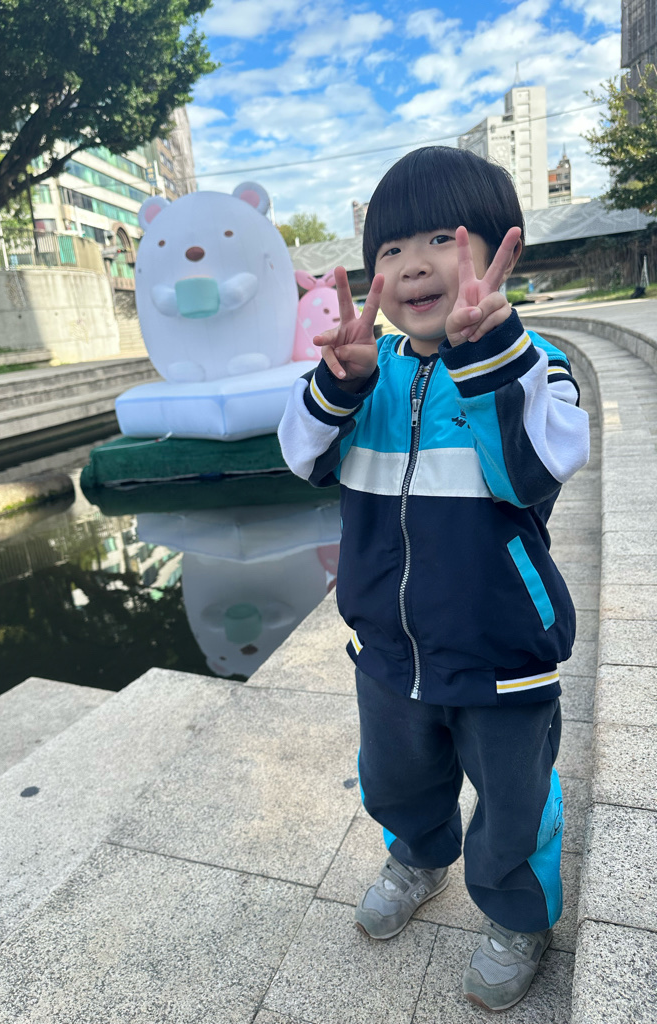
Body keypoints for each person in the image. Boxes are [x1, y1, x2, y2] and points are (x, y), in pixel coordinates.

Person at [278, 146, 589, 1012]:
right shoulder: (366, 371)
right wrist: (337, 384)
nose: (413, 264)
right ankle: (417, 858)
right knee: (396, 780)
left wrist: (487, 356)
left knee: (515, 801)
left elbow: (536, 471)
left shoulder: (535, 364)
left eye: (440, 240)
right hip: (389, 653)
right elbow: (300, 455)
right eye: (391, 248)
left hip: (502, 653)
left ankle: (518, 916)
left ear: (499, 249)